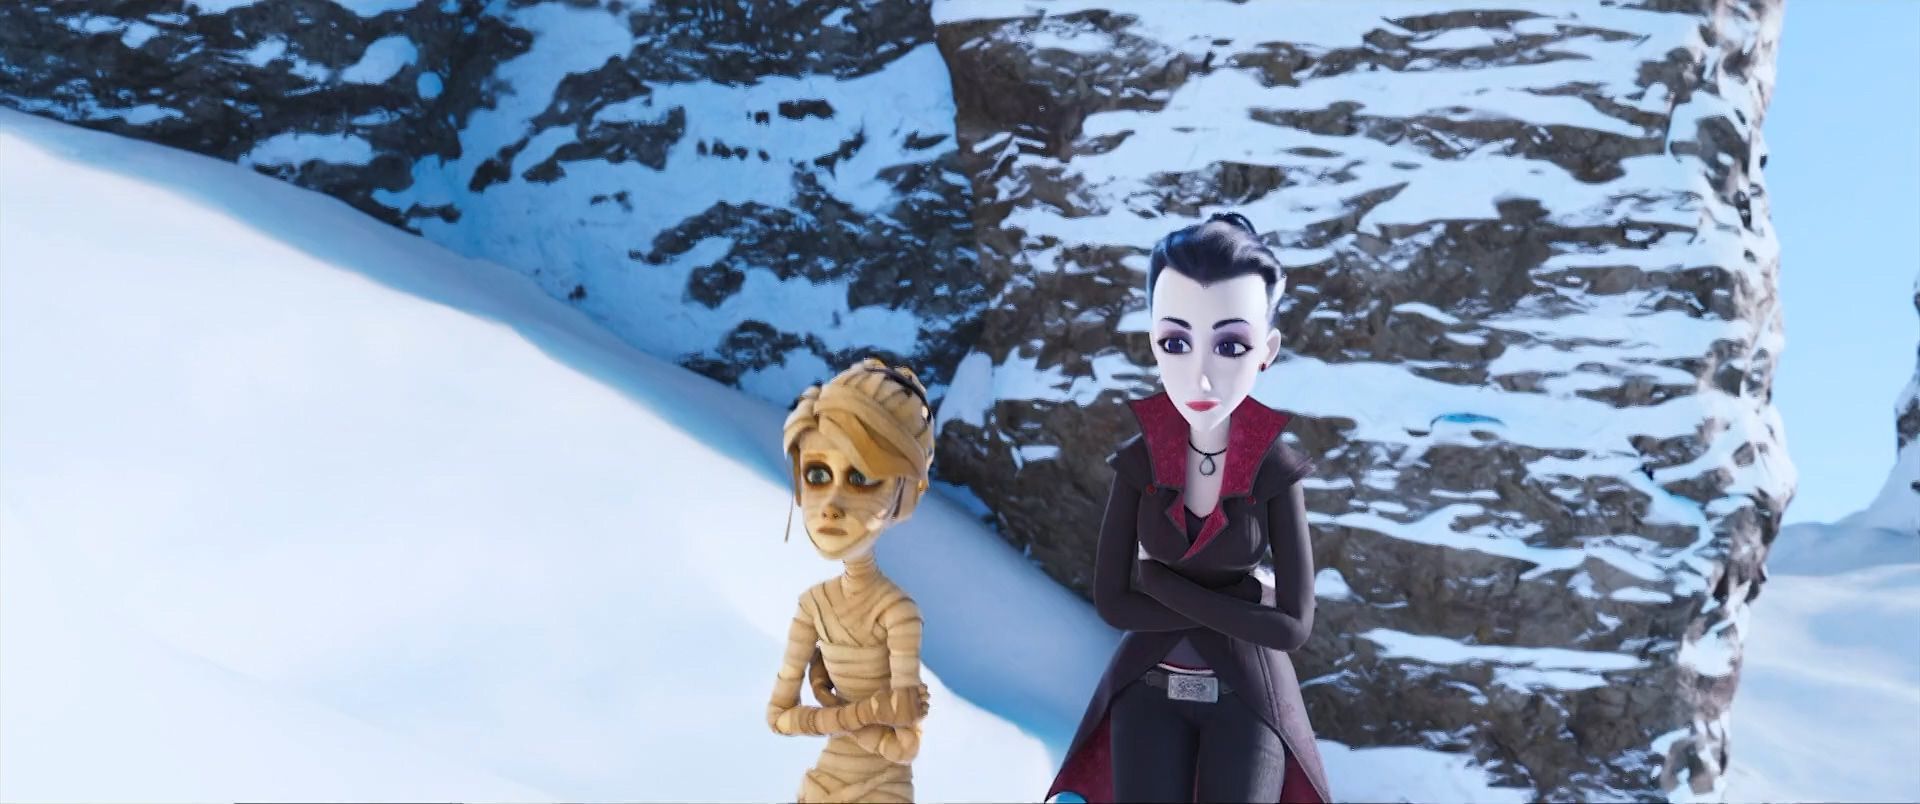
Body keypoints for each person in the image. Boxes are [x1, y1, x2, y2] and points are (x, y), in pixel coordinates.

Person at [1047, 212, 1333, 803]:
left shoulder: (1275, 470)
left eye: (1230, 346)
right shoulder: (1139, 460)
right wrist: (1240, 601)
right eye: (1176, 343)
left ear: (1267, 351)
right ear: (1152, 340)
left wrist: (1163, 585)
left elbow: (1292, 627)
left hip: (1248, 698)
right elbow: (1113, 603)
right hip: (1146, 691)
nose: (1201, 375)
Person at [765, 358, 937, 803]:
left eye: (862, 478)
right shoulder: (813, 605)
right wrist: (866, 712)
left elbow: (905, 747)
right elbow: (777, 717)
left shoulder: (898, 612)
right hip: (820, 786)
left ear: (903, 494)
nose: (832, 504)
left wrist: (830, 703)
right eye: (817, 474)